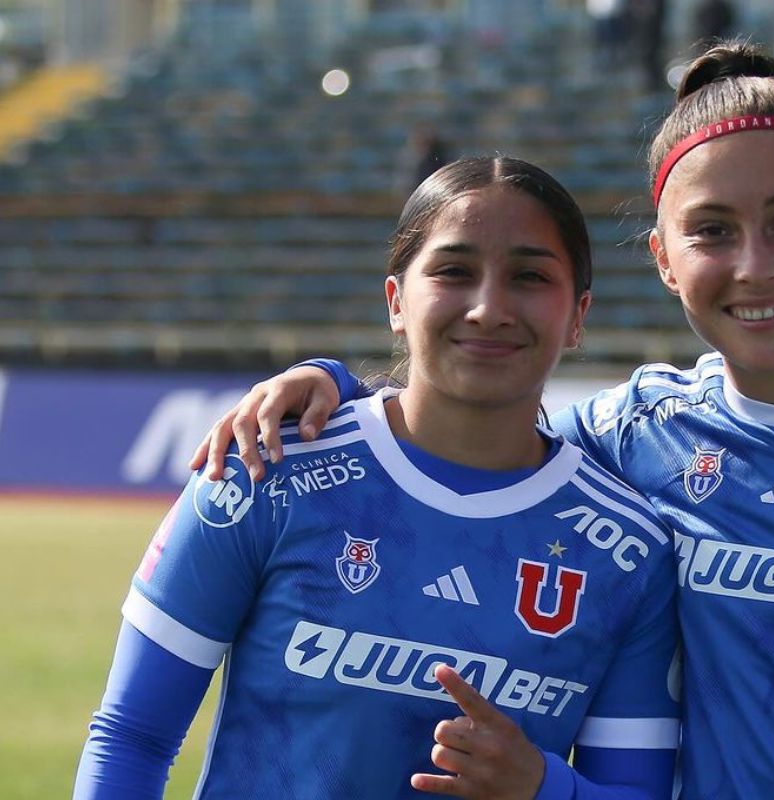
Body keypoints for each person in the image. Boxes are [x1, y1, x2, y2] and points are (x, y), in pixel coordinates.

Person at [195, 42, 774, 798]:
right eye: (713, 230)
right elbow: (473, 435)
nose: (754, 265)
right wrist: (338, 386)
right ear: (661, 258)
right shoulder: (637, 431)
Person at [75, 158, 681, 799]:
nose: (488, 307)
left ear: (578, 315)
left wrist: (543, 788)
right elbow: (131, 738)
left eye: (529, 276)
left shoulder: (629, 552)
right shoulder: (264, 471)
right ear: (397, 301)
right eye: (454, 271)